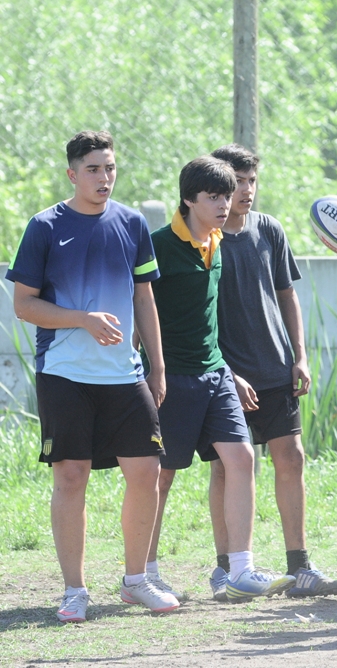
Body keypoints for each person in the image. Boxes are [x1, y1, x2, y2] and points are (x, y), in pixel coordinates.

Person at [6, 130, 178, 621]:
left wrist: (157, 366)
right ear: (72, 174)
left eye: (110, 168)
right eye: (94, 169)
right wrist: (82, 318)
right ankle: (74, 591)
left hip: (125, 376)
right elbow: (24, 305)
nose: (104, 178)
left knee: (146, 472)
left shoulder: (132, 223)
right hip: (64, 373)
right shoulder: (44, 226)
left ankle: (136, 581)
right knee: (72, 475)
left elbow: (145, 297)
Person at [144, 156, 295, 602]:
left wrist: (227, 370)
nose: (225, 204)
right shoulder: (156, 247)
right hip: (172, 379)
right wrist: (149, 370)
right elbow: (140, 313)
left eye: (228, 195)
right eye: (215, 196)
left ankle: (240, 570)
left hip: (215, 374)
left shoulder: (217, 243)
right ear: (189, 199)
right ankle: (144, 573)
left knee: (242, 459)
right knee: (160, 477)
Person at [208, 143, 337, 600]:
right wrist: (226, 371)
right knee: (228, 471)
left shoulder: (269, 229)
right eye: (237, 182)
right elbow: (194, 317)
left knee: (292, 457)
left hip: (275, 369)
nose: (246, 191)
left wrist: (299, 356)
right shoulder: (202, 237)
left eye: (251, 181)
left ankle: (301, 568)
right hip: (227, 377)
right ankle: (225, 569)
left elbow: (287, 295)